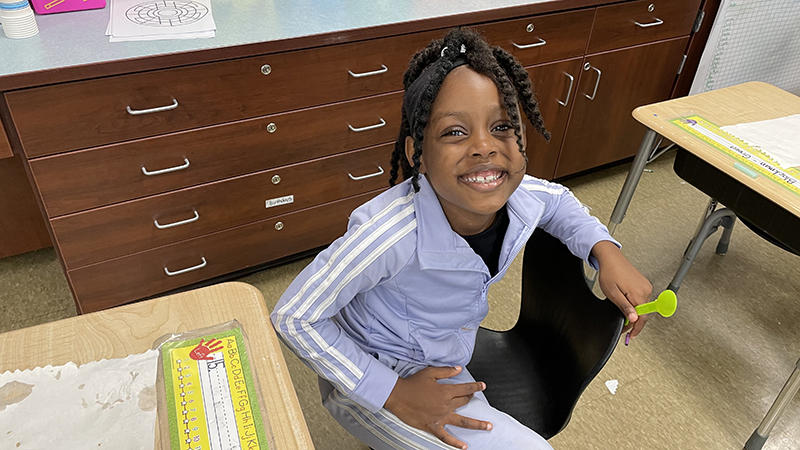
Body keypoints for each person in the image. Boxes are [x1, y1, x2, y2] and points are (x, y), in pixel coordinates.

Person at [271, 27, 652, 450]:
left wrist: (606, 251)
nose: (484, 147)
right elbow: (294, 316)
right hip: (381, 374)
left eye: (503, 126)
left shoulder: (520, 199)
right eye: (455, 132)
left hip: (447, 355)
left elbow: (559, 201)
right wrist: (393, 393)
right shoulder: (389, 234)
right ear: (418, 155)